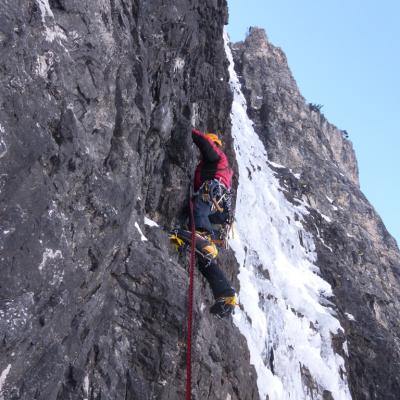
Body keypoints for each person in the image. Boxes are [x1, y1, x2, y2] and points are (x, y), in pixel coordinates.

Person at [191, 128, 238, 318]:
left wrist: (190, 130)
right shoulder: (219, 168)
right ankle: (224, 293)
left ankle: (202, 235)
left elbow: (205, 143)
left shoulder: (216, 157)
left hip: (211, 196)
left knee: (199, 204)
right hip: (219, 211)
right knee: (204, 259)